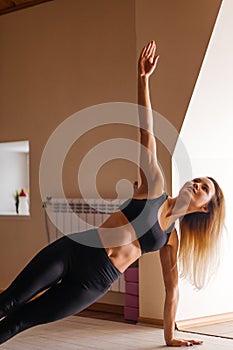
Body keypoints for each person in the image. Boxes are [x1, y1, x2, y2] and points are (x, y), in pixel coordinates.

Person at [0, 41, 225, 347]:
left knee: (23, 320)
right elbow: (146, 134)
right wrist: (142, 79)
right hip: (75, 251)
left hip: (95, 282)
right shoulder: (154, 187)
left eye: (204, 189)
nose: (196, 185)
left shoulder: (170, 238)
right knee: (10, 301)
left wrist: (171, 336)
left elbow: (172, 289)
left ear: (203, 208)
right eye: (197, 180)